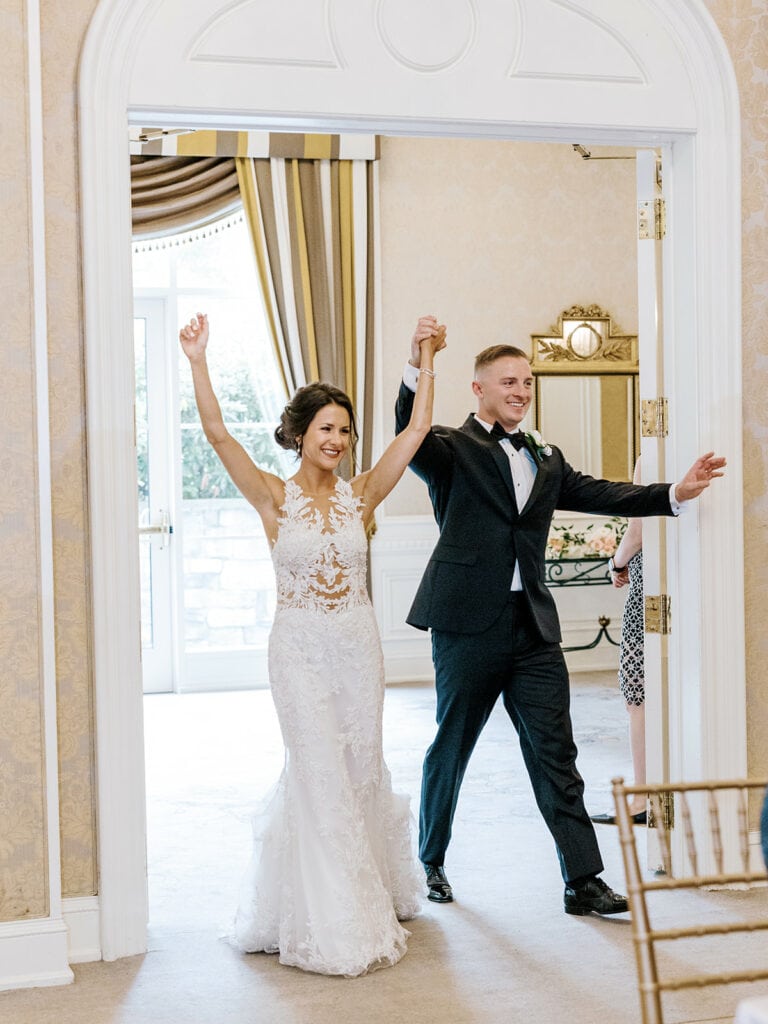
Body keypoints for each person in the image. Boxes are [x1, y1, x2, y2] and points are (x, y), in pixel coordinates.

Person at [395, 320, 725, 915]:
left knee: (556, 751)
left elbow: (600, 492)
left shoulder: (545, 456)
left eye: (527, 381)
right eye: (508, 381)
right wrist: (419, 358)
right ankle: (431, 860)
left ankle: (583, 880)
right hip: (468, 624)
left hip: (534, 627)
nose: (521, 390)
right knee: (454, 744)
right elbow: (408, 427)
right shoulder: (450, 448)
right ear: (479, 389)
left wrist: (674, 492)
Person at [179, 311, 446, 976]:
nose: (339, 439)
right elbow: (215, 434)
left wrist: (424, 356)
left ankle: (370, 889)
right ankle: (335, 925)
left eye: (346, 430)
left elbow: (415, 430)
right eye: (327, 428)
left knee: (357, 770)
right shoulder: (273, 497)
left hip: (357, 646)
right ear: (300, 434)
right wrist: (198, 360)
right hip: (297, 650)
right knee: (319, 770)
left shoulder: (362, 497)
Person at [590, 457, 647, 826]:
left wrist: (616, 562)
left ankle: (643, 797)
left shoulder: (651, 457)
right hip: (674, 580)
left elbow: (638, 531)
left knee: (637, 693)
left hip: (647, 587)